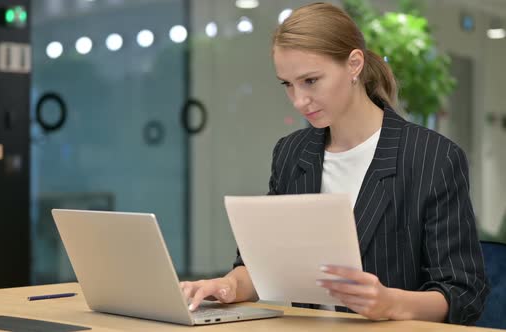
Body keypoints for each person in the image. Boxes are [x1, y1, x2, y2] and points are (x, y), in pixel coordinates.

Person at [179, 2, 489, 325]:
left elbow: (464, 292)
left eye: (311, 81)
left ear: (354, 64)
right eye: (288, 84)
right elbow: (261, 265)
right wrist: (227, 285)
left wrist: (390, 303)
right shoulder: (290, 153)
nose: (299, 100)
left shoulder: (433, 157)